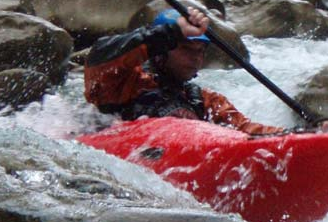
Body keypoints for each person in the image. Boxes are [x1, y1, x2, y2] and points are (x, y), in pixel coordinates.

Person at [84, 8, 286, 135]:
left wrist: (300, 133)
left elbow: (247, 131)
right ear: (160, 52)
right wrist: (171, 32)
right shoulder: (125, 84)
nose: (195, 58)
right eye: (186, 49)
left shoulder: (202, 100)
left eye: (200, 51)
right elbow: (99, 56)